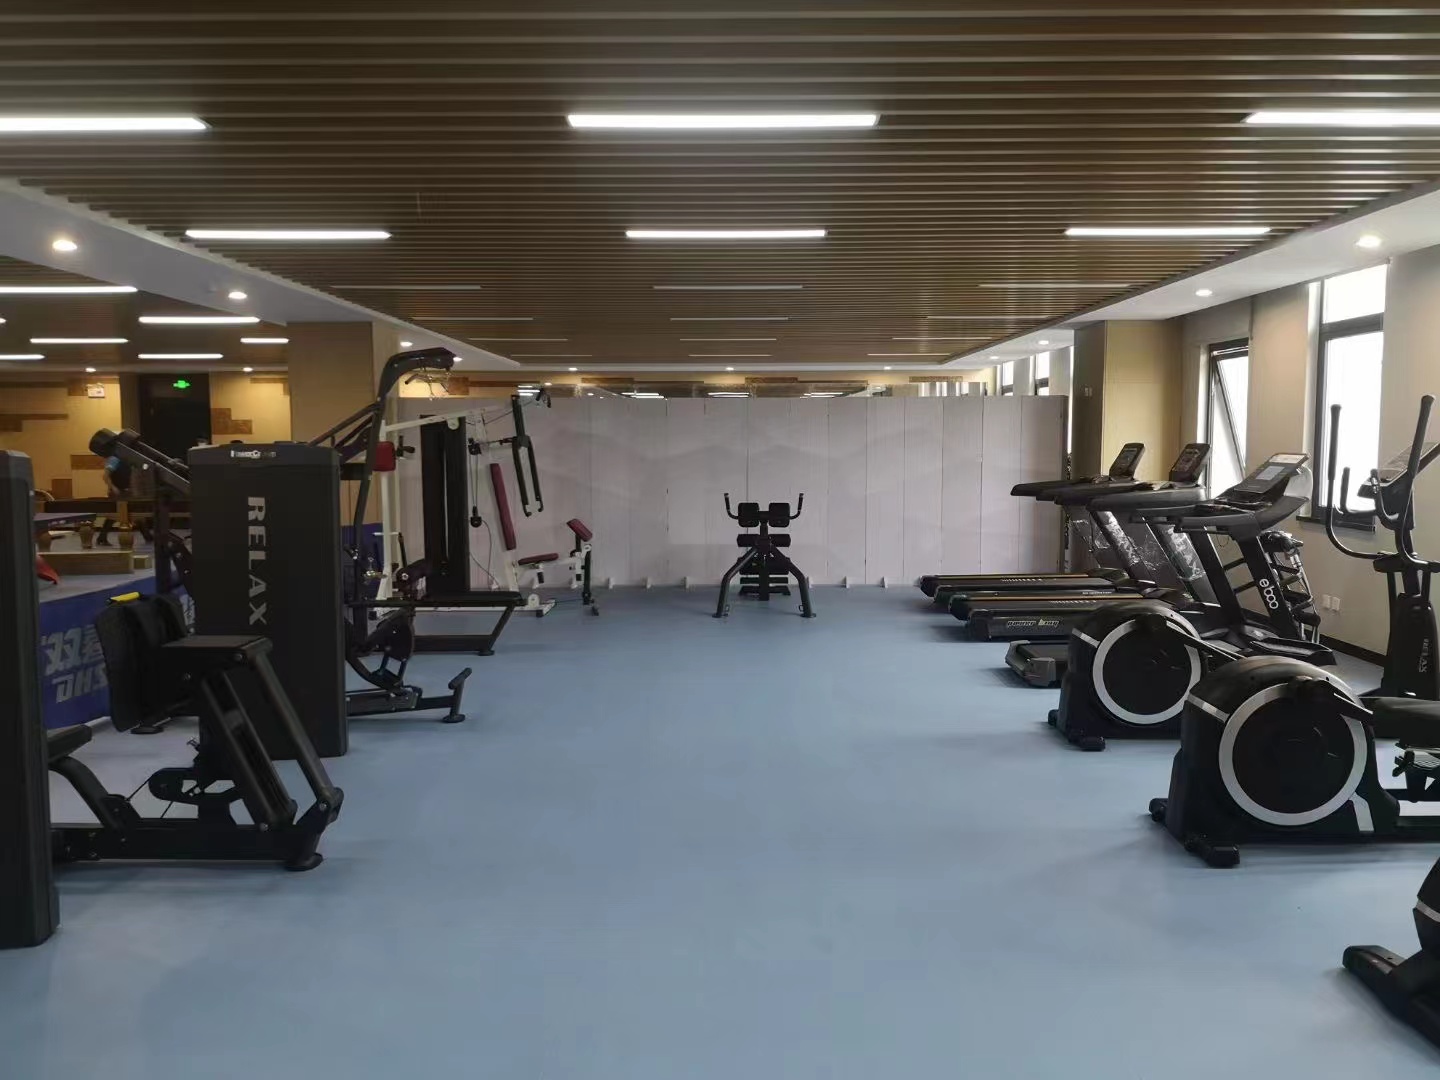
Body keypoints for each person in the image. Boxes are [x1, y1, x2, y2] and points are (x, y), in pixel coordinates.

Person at [95, 453, 133, 546]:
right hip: (117, 492)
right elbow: (106, 476)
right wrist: (113, 488)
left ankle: (102, 537)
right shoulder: (114, 459)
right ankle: (102, 537)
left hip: (126, 491)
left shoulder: (128, 459)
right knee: (113, 515)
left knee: (133, 513)